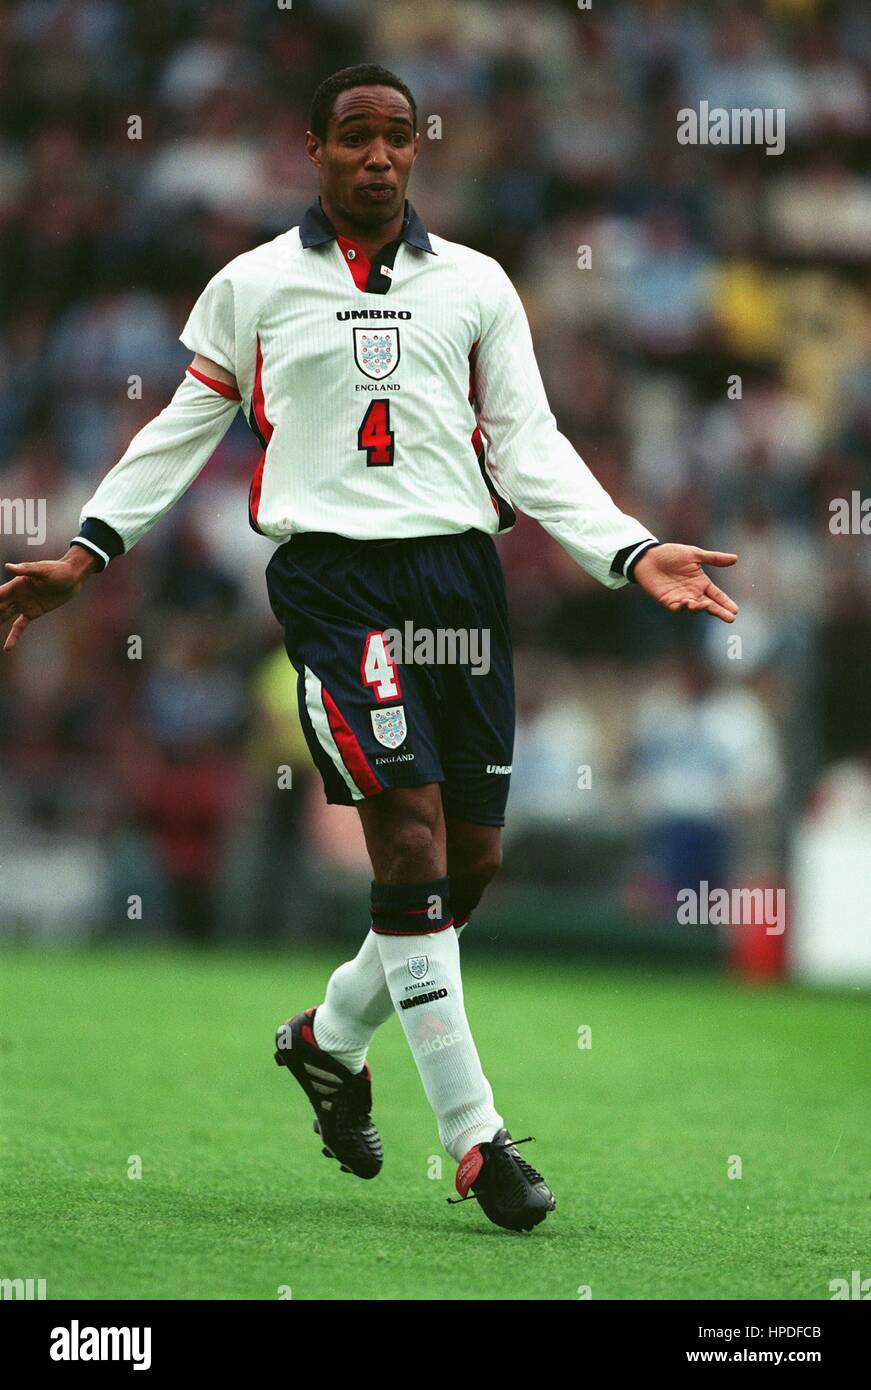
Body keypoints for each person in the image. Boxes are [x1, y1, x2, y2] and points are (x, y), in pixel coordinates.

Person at [0, 65, 738, 1233]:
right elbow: (177, 430)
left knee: (468, 866)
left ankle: (327, 1039)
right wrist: (85, 556)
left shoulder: (477, 285)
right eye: (357, 136)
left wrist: (629, 548)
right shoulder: (251, 285)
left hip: (458, 575)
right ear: (313, 150)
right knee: (405, 837)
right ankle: (477, 1140)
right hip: (336, 584)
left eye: (398, 136)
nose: (380, 154)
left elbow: (529, 443)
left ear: (415, 151)